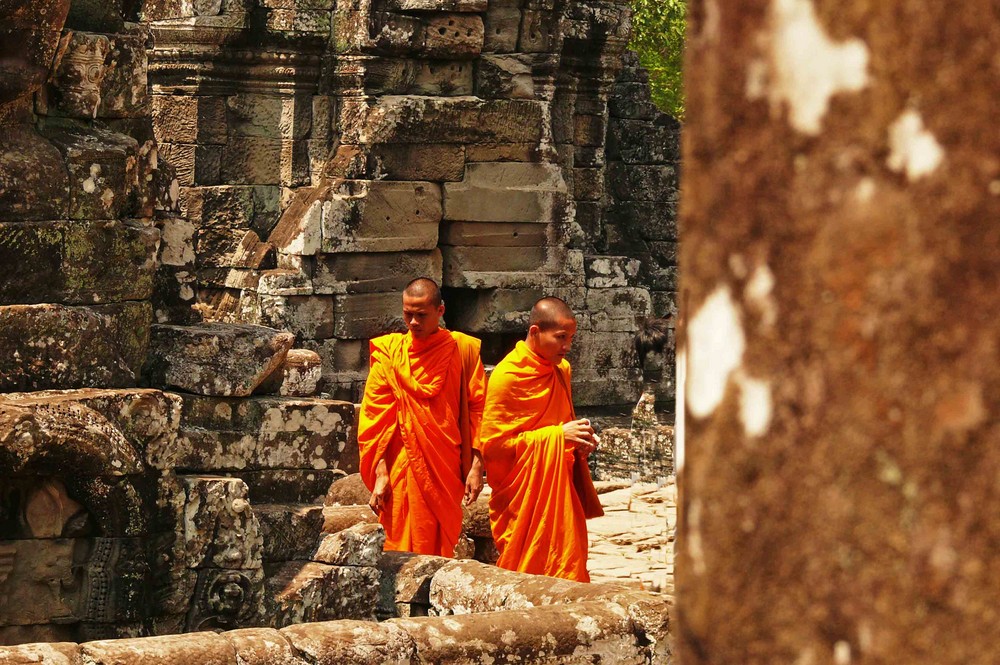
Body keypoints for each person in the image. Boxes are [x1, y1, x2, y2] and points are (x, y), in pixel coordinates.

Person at [357, 277, 486, 556]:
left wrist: (476, 466)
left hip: (446, 463)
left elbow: (479, 409)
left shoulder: (462, 350)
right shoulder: (389, 355)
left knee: (441, 543)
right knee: (400, 545)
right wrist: (381, 473)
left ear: (440, 311)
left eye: (421, 315)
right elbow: (374, 421)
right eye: (407, 314)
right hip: (403, 463)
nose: (413, 322)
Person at [480, 296, 603, 582]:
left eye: (571, 338)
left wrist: (578, 441)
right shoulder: (506, 377)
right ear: (535, 332)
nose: (567, 346)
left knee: (569, 569)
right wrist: (557, 436)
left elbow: (561, 423)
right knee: (528, 576)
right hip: (524, 499)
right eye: (560, 337)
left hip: (560, 488)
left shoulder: (561, 371)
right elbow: (494, 449)